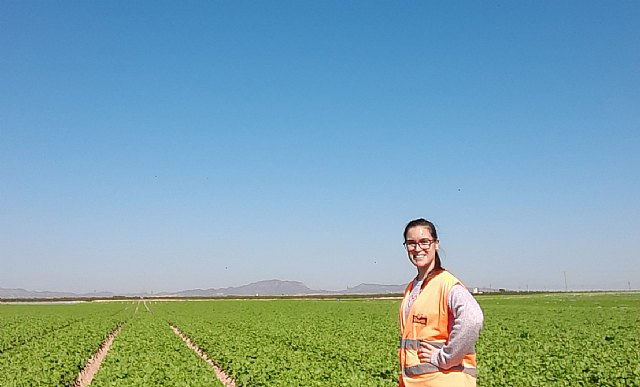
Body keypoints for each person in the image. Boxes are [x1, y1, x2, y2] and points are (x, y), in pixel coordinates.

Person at [398, 218, 483, 387]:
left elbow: (472, 318)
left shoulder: (447, 284)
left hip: (443, 380)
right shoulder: (412, 287)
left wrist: (444, 357)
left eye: (424, 242)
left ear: (436, 244)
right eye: (411, 243)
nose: (417, 248)